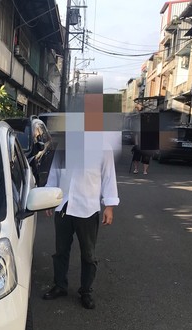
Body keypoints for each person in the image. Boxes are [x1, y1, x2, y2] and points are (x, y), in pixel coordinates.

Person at [42, 90, 120, 309]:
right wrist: (49, 198)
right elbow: (55, 174)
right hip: (64, 206)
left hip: (88, 208)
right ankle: (60, 285)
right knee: (60, 251)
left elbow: (108, 177)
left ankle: (86, 291)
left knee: (88, 255)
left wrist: (109, 206)